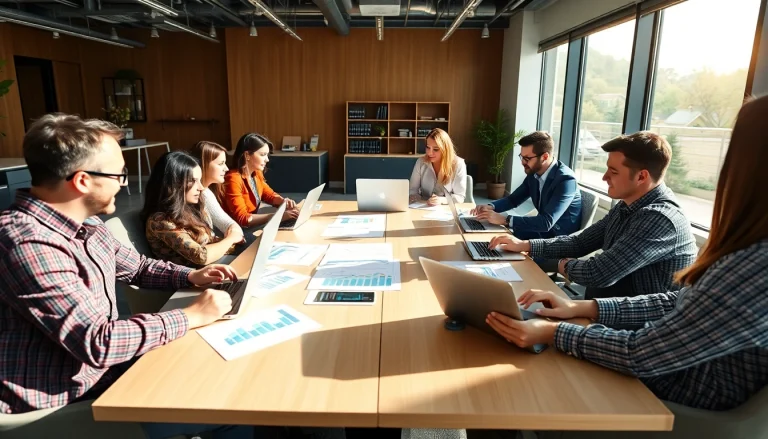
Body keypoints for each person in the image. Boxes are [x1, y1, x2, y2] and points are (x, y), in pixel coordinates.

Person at [484, 96, 768, 419]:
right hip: (649, 345)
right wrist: (580, 305)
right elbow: (671, 302)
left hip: (676, 392)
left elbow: (641, 352)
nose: (604, 178)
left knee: (524, 377)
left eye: (612, 171)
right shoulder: (630, 207)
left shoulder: (738, 258)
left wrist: (554, 331)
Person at [0, 113, 254, 438]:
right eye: (119, 174)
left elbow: (139, 267)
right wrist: (190, 315)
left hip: (103, 373)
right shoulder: (28, 243)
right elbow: (98, 342)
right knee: (229, 401)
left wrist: (192, 277)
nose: (124, 183)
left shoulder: (87, 223)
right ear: (82, 180)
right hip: (63, 402)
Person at [488, 131, 697, 300]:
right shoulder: (626, 205)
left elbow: (599, 273)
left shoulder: (659, 218)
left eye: (613, 172)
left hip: (632, 330)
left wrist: (563, 265)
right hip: (601, 309)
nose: (604, 177)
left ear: (642, 176)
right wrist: (524, 245)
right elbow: (581, 242)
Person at [471, 131, 582, 240]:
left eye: (527, 158)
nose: (522, 162)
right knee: (489, 236)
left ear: (544, 157)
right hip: (540, 231)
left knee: (499, 240)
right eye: (522, 156)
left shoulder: (566, 180)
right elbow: (513, 200)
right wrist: (491, 207)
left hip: (558, 239)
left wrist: (505, 219)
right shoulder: (534, 172)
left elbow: (546, 222)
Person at [142, 151, 245, 267]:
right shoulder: (159, 221)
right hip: (196, 278)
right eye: (193, 181)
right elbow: (201, 256)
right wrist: (231, 239)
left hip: (215, 265)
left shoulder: (187, 210)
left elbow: (209, 241)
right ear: (174, 184)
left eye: (199, 180)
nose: (201, 187)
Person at [222, 133, 299, 227]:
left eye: (267, 155)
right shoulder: (233, 179)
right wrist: (277, 217)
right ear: (247, 155)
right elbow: (242, 219)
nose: (267, 160)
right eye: (263, 155)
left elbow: (268, 195)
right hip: (239, 230)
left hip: (251, 225)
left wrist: (283, 202)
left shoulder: (256, 172)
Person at [409, 128, 468, 205]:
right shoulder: (421, 162)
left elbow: (459, 197)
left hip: (447, 208)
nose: (430, 153)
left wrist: (441, 200)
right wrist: (414, 197)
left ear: (445, 149)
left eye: (435, 149)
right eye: (428, 147)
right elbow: (413, 190)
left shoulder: (458, 164)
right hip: (423, 206)